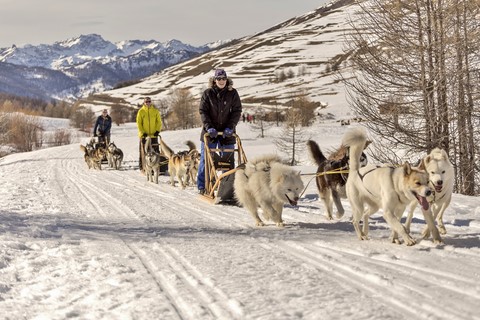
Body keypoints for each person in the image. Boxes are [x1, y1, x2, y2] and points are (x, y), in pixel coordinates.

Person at [197, 69, 242, 195]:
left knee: (228, 162)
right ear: (214, 80)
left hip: (227, 133)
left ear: (227, 80)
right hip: (209, 133)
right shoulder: (208, 93)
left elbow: (237, 111)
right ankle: (202, 186)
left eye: (223, 78)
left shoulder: (232, 93)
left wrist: (231, 127)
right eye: (219, 79)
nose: (221, 81)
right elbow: (203, 111)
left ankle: (226, 189)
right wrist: (209, 127)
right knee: (206, 160)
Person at [136, 97, 162, 172]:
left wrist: (157, 130)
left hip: (154, 134)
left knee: (155, 152)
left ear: (151, 102)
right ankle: (143, 168)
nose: (148, 103)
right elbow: (139, 123)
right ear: (144, 103)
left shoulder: (155, 111)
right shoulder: (141, 111)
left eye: (149, 101)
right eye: (146, 102)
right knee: (144, 152)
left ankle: (156, 167)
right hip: (144, 135)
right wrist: (142, 132)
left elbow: (159, 122)